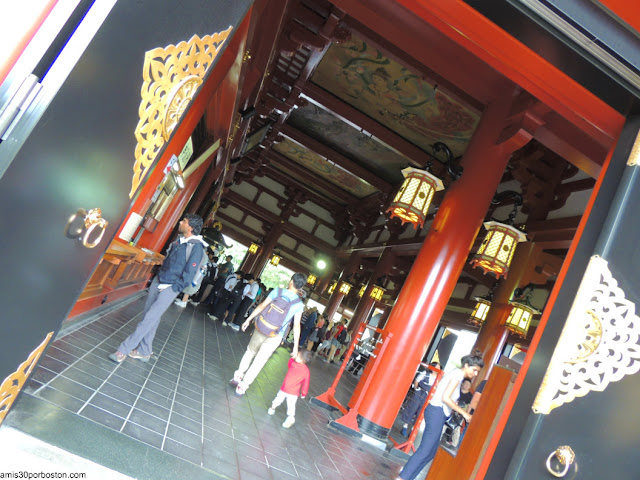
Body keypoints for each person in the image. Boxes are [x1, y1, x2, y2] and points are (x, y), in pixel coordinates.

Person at [109, 214, 204, 363]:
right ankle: (144, 351)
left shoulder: (196, 247)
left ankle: (123, 350)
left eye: (184, 221)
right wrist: (157, 278)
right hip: (159, 280)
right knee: (149, 316)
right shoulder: (179, 241)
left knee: (149, 318)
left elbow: (190, 273)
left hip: (171, 287)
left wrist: (175, 288)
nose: (181, 222)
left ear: (191, 227)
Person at [396, 350, 484, 480]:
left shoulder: (456, 373)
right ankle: (403, 477)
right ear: (466, 365)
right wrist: (465, 414)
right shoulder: (458, 374)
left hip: (438, 413)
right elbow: (446, 398)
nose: (475, 373)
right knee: (426, 450)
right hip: (436, 411)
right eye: (474, 370)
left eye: (477, 371)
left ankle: (408, 476)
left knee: (430, 452)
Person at [230, 272, 306, 396]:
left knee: (250, 352)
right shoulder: (298, 305)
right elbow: (296, 326)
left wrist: (248, 320)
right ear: (300, 288)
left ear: (291, 281)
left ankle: (238, 376)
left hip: (262, 327)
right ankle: (243, 386)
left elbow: (262, 306)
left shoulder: (277, 291)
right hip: (276, 335)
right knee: (259, 361)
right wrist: (296, 347)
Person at [267, 350, 312, 428]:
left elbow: (289, 363)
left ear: (301, 359)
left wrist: (292, 358)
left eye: (297, 355)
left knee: (278, 399)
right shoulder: (306, 371)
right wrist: (304, 393)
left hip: (284, 388)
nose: (296, 356)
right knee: (291, 405)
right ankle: (291, 417)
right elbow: (306, 383)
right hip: (294, 392)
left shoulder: (293, 364)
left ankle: (272, 408)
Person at [400, 361, 440, 437]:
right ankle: (405, 427)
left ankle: (412, 430)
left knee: (420, 412)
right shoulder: (425, 373)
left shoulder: (438, 378)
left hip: (427, 396)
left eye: (439, 367)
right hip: (419, 392)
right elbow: (416, 381)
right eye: (437, 367)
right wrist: (416, 389)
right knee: (412, 408)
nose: (438, 369)